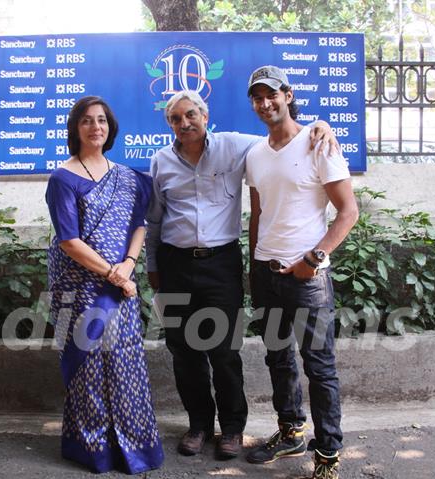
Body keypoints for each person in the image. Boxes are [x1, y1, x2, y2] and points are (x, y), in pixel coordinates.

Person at [145, 90, 338, 460]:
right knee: (184, 352)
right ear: (168, 124)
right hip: (173, 265)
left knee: (223, 350)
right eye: (175, 119)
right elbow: (154, 221)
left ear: (205, 115)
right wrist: (153, 268)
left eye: (190, 115)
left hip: (220, 264)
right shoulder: (161, 161)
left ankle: (232, 428)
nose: (184, 123)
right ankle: (199, 424)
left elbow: (284, 137)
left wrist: (320, 125)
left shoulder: (236, 147)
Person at [244, 66, 358, 478]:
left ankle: (328, 454)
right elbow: (258, 213)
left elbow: (348, 212)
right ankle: (291, 431)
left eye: (271, 94)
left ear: (287, 95)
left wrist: (314, 259)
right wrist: (254, 264)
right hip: (266, 272)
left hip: (307, 280)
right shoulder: (255, 155)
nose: (265, 103)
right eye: (257, 97)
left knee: (319, 366)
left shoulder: (317, 142)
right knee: (278, 359)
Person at [45, 96, 164, 474]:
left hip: (121, 286)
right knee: (90, 366)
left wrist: (128, 266)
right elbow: (69, 240)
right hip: (81, 288)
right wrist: (113, 274)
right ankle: (93, 448)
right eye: (86, 120)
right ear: (75, 128)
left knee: (125, 359)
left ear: (110, 127)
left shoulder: (128, 177)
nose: (95, 127)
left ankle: (135, 446)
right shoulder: (63, 178)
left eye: (101, 120)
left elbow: (139, 225)